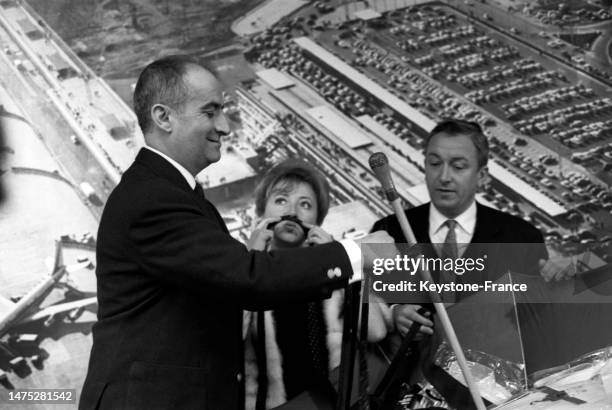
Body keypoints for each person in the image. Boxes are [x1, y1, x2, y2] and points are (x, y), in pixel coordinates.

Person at [79, 55, 391, 410]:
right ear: (163, 117)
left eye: (223, 111)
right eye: (210, 112)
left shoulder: (175, 194)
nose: (225, 126)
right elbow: (248, 281)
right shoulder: (154, 199)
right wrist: (358, 253)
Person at [371, 119, 549, 337]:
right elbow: (370, 302)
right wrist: (394, 312)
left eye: (458, 166)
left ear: (482, 176)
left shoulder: (522, 237)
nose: (444, 177)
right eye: (435, 163)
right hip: (414, 366)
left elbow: (537, 321)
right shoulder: (388, 231)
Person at [243, 160, 391, 410]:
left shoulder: (333, 269)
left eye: (305, 204)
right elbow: (220, 342)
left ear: (317, 220)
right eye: (281, 200)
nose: (292, 211)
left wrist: (344, 264)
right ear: (262, 212)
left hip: (337, 403)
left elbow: (376, 331)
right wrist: (248, 263)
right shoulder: (240, 264)